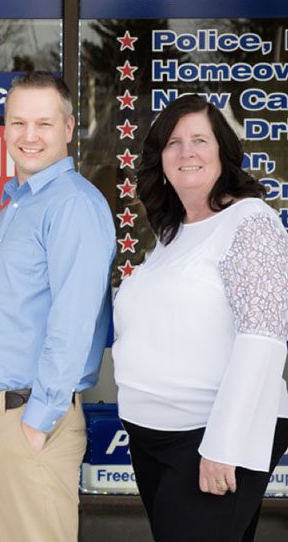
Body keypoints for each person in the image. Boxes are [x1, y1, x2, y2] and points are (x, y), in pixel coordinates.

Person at [112, 94, 288, 542]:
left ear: (223, 153)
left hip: (209, 434)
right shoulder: (172, 234)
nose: (186, 152)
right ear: (161, 160)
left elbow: (263, 339)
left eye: (199, 140)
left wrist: (224, 447)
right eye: (173, 142)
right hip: (152, 434)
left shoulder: (251, 222)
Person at [0, 71, 115, 542]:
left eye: (44, 123)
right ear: (3, 127)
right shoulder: (11, 210)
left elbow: (74, 321)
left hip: (28, 423)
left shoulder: (73, 205)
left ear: (68, 128)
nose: (29, 136)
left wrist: (37, 423)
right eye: (18, 122)